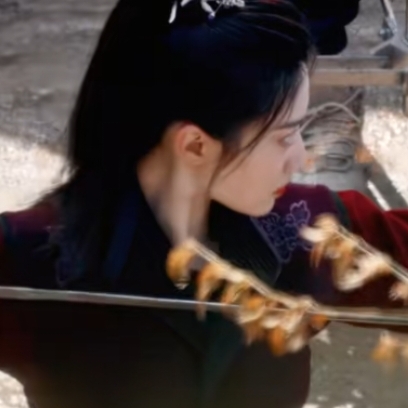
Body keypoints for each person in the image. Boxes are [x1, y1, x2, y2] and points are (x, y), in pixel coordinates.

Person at [0, 0, 407, 407]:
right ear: (195, 145)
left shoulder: (304, 231)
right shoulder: (32, 259)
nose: (301, 158)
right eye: (285, 137)